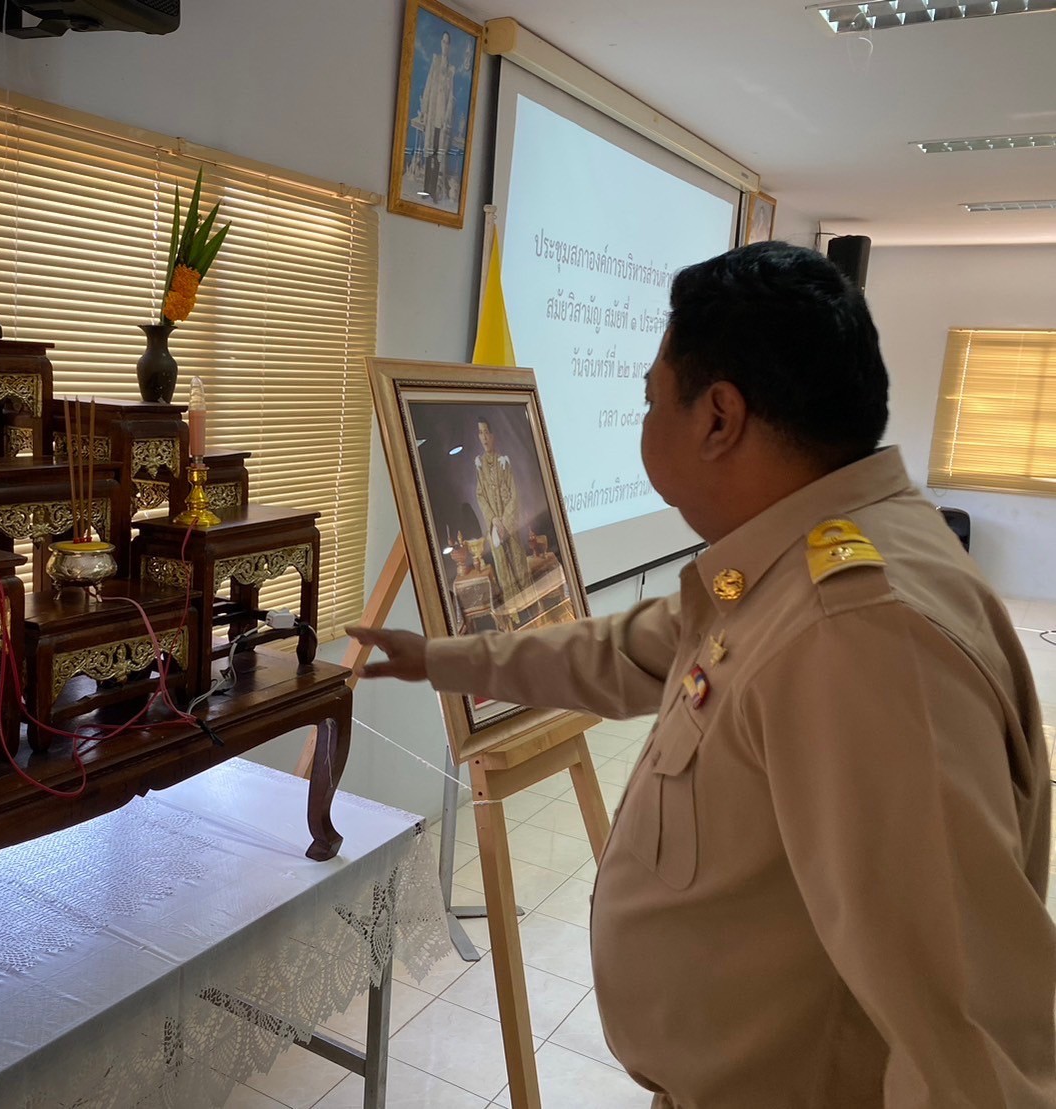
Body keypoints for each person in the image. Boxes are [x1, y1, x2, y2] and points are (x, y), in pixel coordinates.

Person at [350, 242, 1056, 1107]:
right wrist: (445, 657)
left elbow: (972, 1050)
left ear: (718, 417)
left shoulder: (856, 637)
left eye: (650, 397)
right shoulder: (793, 568)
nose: (643, 418)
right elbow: (622, 650)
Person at [473, 417, 532, 606]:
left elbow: (514, 493)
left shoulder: (504, 462)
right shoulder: (479, 466)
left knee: (519, 564)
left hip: (510, 526)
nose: (484, 437)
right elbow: (480, 495)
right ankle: (516, 613)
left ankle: (532, 606)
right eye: (480, 433)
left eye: (486, 433)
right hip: (495, 528)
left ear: (493, 435)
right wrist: (494, 521)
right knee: (503, 570)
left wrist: (505, 523)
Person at [413, 30, 454, 201]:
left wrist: (446, 119)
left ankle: (434, 190)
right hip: (432, 115)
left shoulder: (451, 69)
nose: (445, 45)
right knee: (429, 152)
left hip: (441, 119)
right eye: (443, 42)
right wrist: (424, 110)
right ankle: (426, 189)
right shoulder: (436, 62)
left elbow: (451, 95)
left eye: (447, 43)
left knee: (438, 155)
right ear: (441, 44)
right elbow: (429, 86)